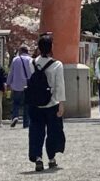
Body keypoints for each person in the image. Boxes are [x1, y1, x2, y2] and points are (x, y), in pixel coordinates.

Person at [26, 32, 66, 172]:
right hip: (52, 103)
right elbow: (60, 85)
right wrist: (61, 103)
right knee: (53, 131)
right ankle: (51, 157)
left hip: (35, 103)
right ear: (51, 47)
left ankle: (37, 157)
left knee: (36, 131)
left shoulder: (31, 63)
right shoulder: (57, 64)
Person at [8, 44, 33, 128]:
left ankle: (15, 116)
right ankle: (26, 123)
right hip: (28, 85)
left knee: (16, 103)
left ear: (20, 51)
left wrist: (8, 82)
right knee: (27, 104)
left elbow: (11, 72)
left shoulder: (15, 60)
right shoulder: (31, 60)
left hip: (17, 85)